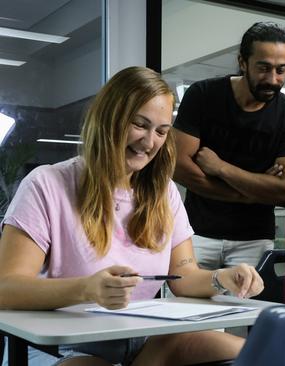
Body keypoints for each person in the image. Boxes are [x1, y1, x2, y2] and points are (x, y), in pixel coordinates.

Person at [0, 66, 263, 366]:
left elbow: (184, 277)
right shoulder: (46, 184)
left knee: (256, 354)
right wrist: (87, 289)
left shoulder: (163, 193)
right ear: (108, 118)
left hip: (142, 339)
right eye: (140, 124)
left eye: (162, 131)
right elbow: (6, 288)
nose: (150, 142)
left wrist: (222, 279)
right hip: (63, 347)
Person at [172, 21, 285, 272]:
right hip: (196, 233)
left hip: (254, 240)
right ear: (243, 62)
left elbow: (284, 190)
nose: (272, 79)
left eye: (282, 70)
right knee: (183, 308)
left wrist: (220, 168)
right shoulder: (202, 95)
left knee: (249, 310)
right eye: (264, 68)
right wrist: (249, 193)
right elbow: (178, 167)